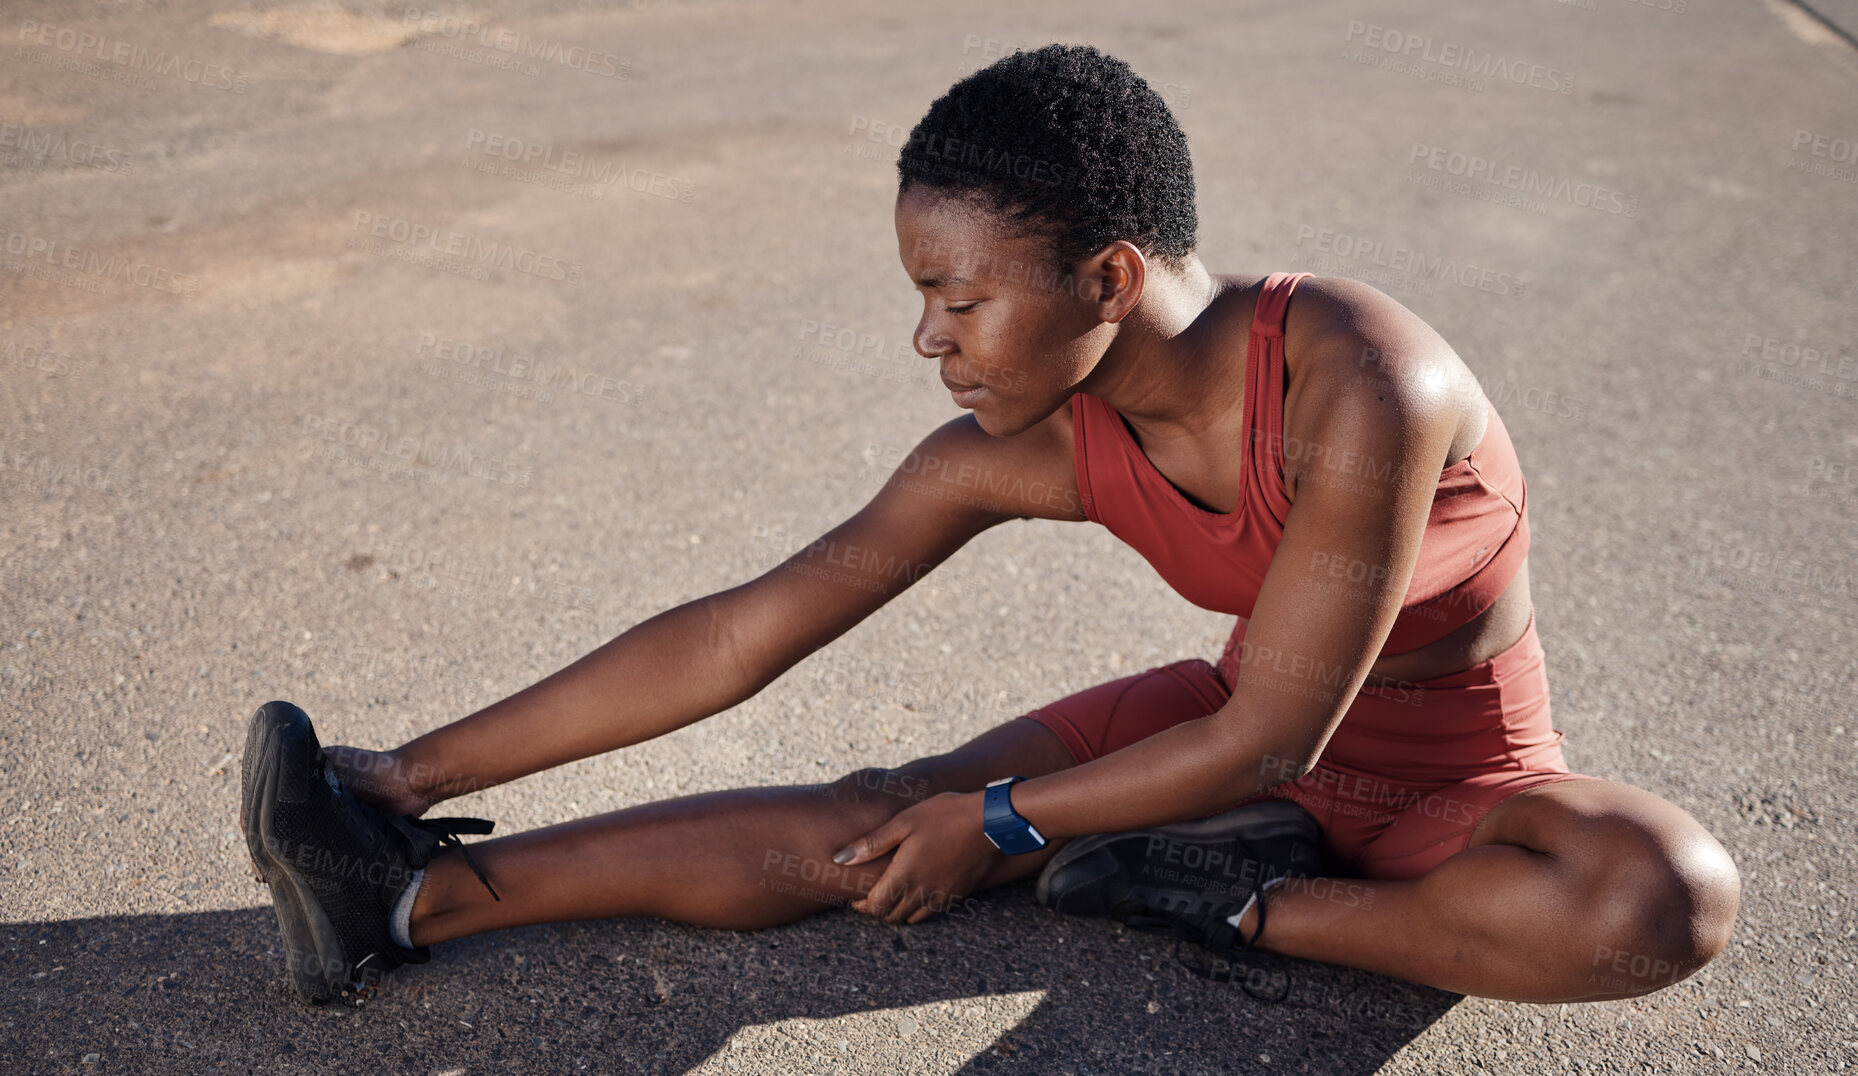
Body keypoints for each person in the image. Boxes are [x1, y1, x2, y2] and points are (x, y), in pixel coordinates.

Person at [241, 43, 1740, 1008]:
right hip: (1208, 739)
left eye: (959, 299)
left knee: (1656, 900)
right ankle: (400, 897)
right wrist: (402, 771)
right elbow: (738, 631)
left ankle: (1241, 901)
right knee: (884, 821)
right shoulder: (1014, 449)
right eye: (921, 299)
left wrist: (1010, 823)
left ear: (1105, 277)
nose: (932, 340)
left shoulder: (1364, 383)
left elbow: (1279, 739)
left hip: (1434, 778)